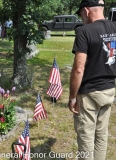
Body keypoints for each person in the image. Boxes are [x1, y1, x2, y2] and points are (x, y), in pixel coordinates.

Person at [68, 0, 116, 160]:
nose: (81, 18)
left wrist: (72, 97)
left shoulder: (84, 31)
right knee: (102, 135)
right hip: (109, 90)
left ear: (86, 11)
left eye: (81, 14)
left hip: (89, 93)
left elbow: (79, 68)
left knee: (86, 137)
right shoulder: (114, 27)